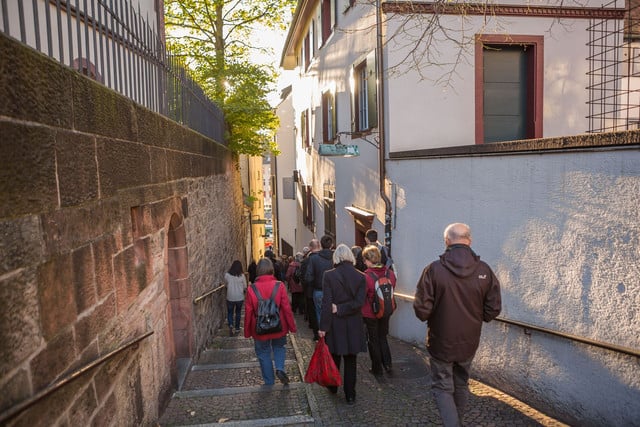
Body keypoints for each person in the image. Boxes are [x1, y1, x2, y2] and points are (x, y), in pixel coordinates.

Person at [413, 223, 502, 427]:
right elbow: (493, 308)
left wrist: (432, 315)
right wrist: (479, 318)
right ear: (469, 241)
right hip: (469, 340)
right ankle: (457, 421)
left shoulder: (433, 270)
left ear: (447, 241)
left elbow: (421, 309)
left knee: (443, 387)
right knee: (461, 382)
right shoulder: (484, 270)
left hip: (441, 340)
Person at [318, 244, 367, 405]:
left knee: (334, 356)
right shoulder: (361, 276)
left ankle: (333, 386)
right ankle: (350, 394)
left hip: (335, 323)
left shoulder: (329, 275)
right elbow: (359, 302)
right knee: (351, 360)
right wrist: (344, 308)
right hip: (353, 323)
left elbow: (327, 303)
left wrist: (323, 327)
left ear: (336, 257)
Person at [244, 257, 297, 386]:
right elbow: (286, 309)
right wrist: (292, 326)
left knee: (263, 353)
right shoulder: (279, 286)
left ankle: (269, 381)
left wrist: (247, 331)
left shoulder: (252, 289)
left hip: (259, 327)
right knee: (279, 347)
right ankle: (279, 368)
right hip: (279, 325)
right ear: (271, 269)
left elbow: (248, 312)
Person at [361, 245, 397, 375]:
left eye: (364, 260)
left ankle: (377, 368)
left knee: (373, 340)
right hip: (386, 311)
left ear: (369, 260)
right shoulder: (390, 274)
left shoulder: (366, 276)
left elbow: (362, 296)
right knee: (383, 337)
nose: (364, 263)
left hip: (370, 313)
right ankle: (387, 364)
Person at [305, 234, 334, 326]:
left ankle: (323, 337)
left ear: (321, 245)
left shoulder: (313, 259)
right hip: (334, 291)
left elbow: (308, 277)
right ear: (332, 245)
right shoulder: (336, 257)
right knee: (334, 314)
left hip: (319, 291)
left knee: (320, 314)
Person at [300, 240, 320, 339]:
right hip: (324, 290)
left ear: (310, 248)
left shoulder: (306, 261)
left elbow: (303, 277)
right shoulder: (326, 258)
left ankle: (316, 333)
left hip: (310, 291)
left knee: (313, 312)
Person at [224, 260, 248, 337]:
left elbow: (226, 284)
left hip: (230, 297)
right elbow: (245, 286)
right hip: (239, 297)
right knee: (238, 312)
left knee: (230, 312)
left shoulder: (227, 275)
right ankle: (237, 328)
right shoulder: (242, 276)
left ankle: (231, 324)